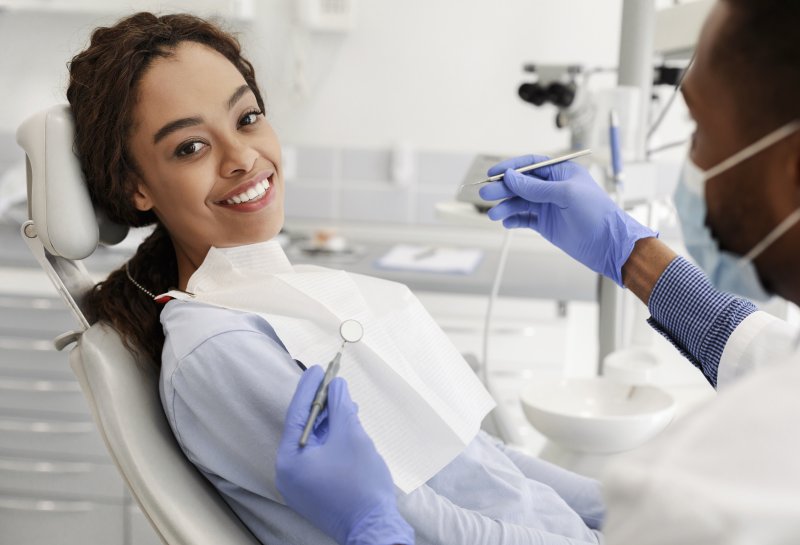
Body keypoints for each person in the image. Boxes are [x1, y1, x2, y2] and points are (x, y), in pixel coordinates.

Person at [67, 12, 607, 545]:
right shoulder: (220, 348)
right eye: (190, 147)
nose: (242, 157)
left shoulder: (267, 294)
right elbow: (422, 524)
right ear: (137, 186)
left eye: (247, 118)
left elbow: (474, 456)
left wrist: (617, 511)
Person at [275, 0, 800, 543]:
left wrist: (375, 526)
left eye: (702, 133)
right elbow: (768, 355)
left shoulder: (713, 497)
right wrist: (629, 254)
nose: (693, 165)